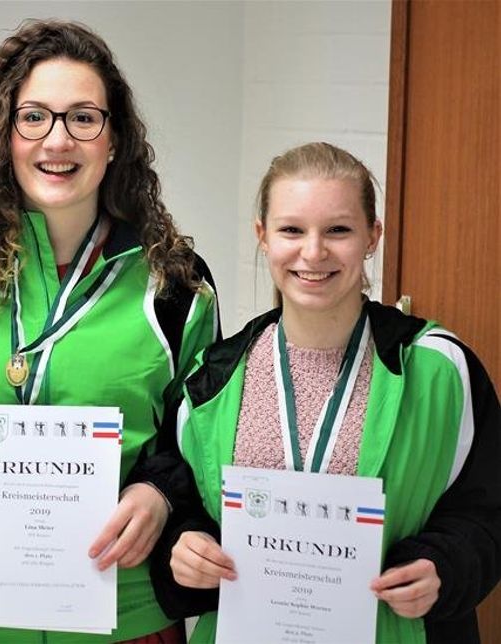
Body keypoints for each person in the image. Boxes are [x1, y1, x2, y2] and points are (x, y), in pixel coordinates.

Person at [0, 20, 219, 643]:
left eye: (83, 118)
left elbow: (199, 439)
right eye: (33, 116)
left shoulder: (174, 285)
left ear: (115, 138)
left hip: (126, 616)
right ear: (2, 135)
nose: (57, 140)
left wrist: (159, 493)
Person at [154, 142, 501, 643]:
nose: (313, 253)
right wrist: (183, 546)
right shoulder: (212, 381)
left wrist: (444, 566)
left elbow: (487, 509)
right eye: (292, 230)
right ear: (263, 237)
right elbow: (181, 502)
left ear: (372, 236)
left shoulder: (440, 369)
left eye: (338, 230)